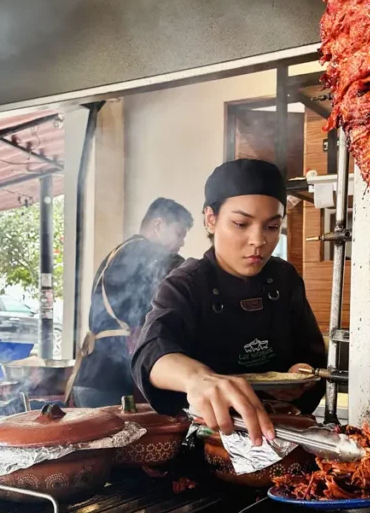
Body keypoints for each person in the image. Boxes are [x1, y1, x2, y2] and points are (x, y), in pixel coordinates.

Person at [131, 159, 326, 445]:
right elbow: (152, 354)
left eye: (272, 226)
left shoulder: (284, 279)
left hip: (281, 435)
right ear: (211, 219)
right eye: (241, 224)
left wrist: (299, 376)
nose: (258, 240)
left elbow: (309, 352)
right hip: (211, 443)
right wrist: (198, 378)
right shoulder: (187, 283)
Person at [69, 198, 194, 408]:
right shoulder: (141, 251)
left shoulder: (123, 253)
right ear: (158, 225)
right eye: (179, 233)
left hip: (96, 376)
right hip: (107, 380)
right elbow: (183, 272)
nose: (181, 243)